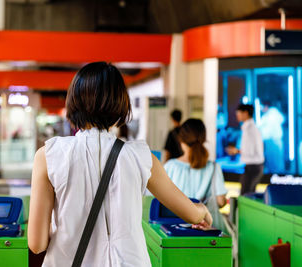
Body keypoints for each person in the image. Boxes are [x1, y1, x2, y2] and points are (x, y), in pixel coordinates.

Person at [28, 62, 212, 267]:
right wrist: (202, 210)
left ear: (73, 102)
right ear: (120, 106)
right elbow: (191, 214)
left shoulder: (49, 156)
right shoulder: (142, 157)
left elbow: (36, 244)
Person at [164, 119, 227, 208]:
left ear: (181, 140)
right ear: (203, 139)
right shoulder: (213, 167)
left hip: (175, 220)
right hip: (204, 220)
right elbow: (221, 201)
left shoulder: (169, 167)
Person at [226, 104, 264, 195]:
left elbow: (250, 151)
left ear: (245, 113)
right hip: (254, 166)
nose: (237, 116)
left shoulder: (249, 129)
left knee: (246, 195)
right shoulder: (249, 127)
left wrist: (236, 151)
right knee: (248, 193)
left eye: (238, 114)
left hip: (253, 167)